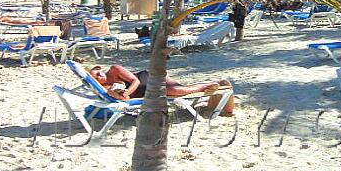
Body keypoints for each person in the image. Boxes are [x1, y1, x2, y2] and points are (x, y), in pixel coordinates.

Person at [89, 65, 234, 114]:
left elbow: (135, 80)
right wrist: (122, 95)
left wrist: (127, 91)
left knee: (177, 91)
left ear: (98, 68)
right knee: (179, 90)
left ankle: (206, 86)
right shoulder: (107, 88)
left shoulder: (114, 70)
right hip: (143, 93)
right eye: (96, 77)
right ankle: (210, 84)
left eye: (97, 72)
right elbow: (124, 99)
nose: (99, 76)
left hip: (146, 78)